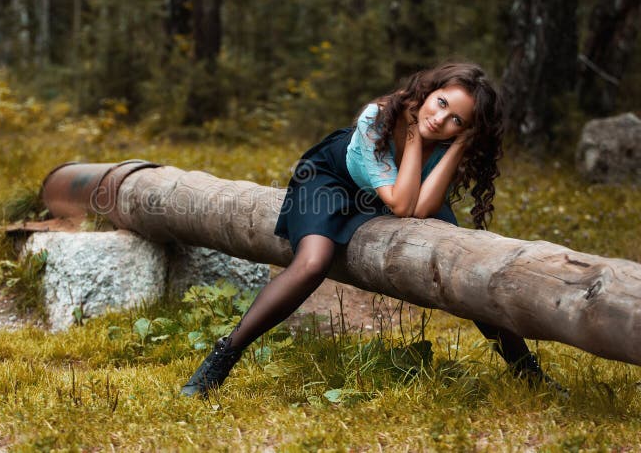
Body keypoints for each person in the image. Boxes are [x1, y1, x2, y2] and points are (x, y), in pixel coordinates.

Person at [180, 62, 560, 398]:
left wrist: (458, 145)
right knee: (314, 263)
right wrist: (412, 135)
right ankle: (225, 354)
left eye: (457, 121)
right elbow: (400, 204)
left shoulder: (445, 142)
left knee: (466, 260)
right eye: (441, 103)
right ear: (429, 91)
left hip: (395, 193)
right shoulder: (376, 118)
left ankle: (526, 370)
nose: (441, 121)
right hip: (333, 182)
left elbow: (421, 209)